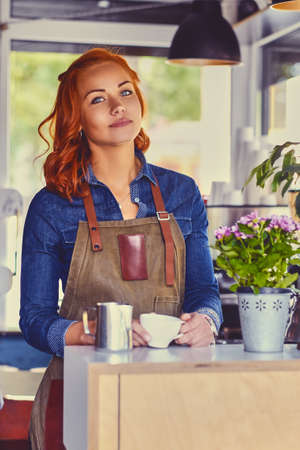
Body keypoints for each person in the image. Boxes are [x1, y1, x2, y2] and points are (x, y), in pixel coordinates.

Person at [20, 47, 223, 449]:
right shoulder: (51, 205)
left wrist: (206, 321)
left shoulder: (181, 192)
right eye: (98, 99)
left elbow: (204, 291)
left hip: (168, 390)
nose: (117, 106)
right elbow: (34, 319)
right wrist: (89, 332)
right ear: (76, 119)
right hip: (79, 392)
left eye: (125, 92)